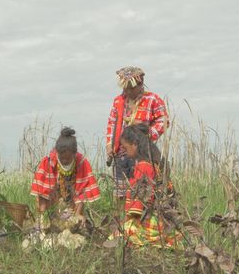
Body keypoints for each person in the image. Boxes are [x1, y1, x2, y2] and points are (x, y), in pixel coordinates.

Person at [110, 123, 179, 248]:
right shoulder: (154, 162)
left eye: (125, 148)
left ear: (135, 144)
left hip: (154, 221)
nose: (124, 152)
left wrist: (124, 221)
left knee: (117, 235)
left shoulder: (143, 166)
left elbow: (139, 205)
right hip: (167, 220)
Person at [106, 66, 168, 199]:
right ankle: (122, 217)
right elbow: (112, 123)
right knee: (120, 191)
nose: (127, 91)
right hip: (120, 153)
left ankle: (140, 216)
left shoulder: (152, 99)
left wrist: (147, 131)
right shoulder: (118, 101)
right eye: (125, 88)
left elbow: (163, 121)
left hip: (142, 153)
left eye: (131, 88)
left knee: (141, 188)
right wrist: (109, 145)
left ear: (140, 84)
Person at [30, 127, 101, 230]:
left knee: (76, 221)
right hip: (54, 195)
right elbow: (43, 192)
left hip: (72, 196)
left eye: (68, 158)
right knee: (46, 219)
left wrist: (76, 217)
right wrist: (42, 218)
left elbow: (81, 193)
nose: (64, 161)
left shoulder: (81, 163)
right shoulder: (49, 162)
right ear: (57, 153)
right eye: (62, 158)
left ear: (74, 154)